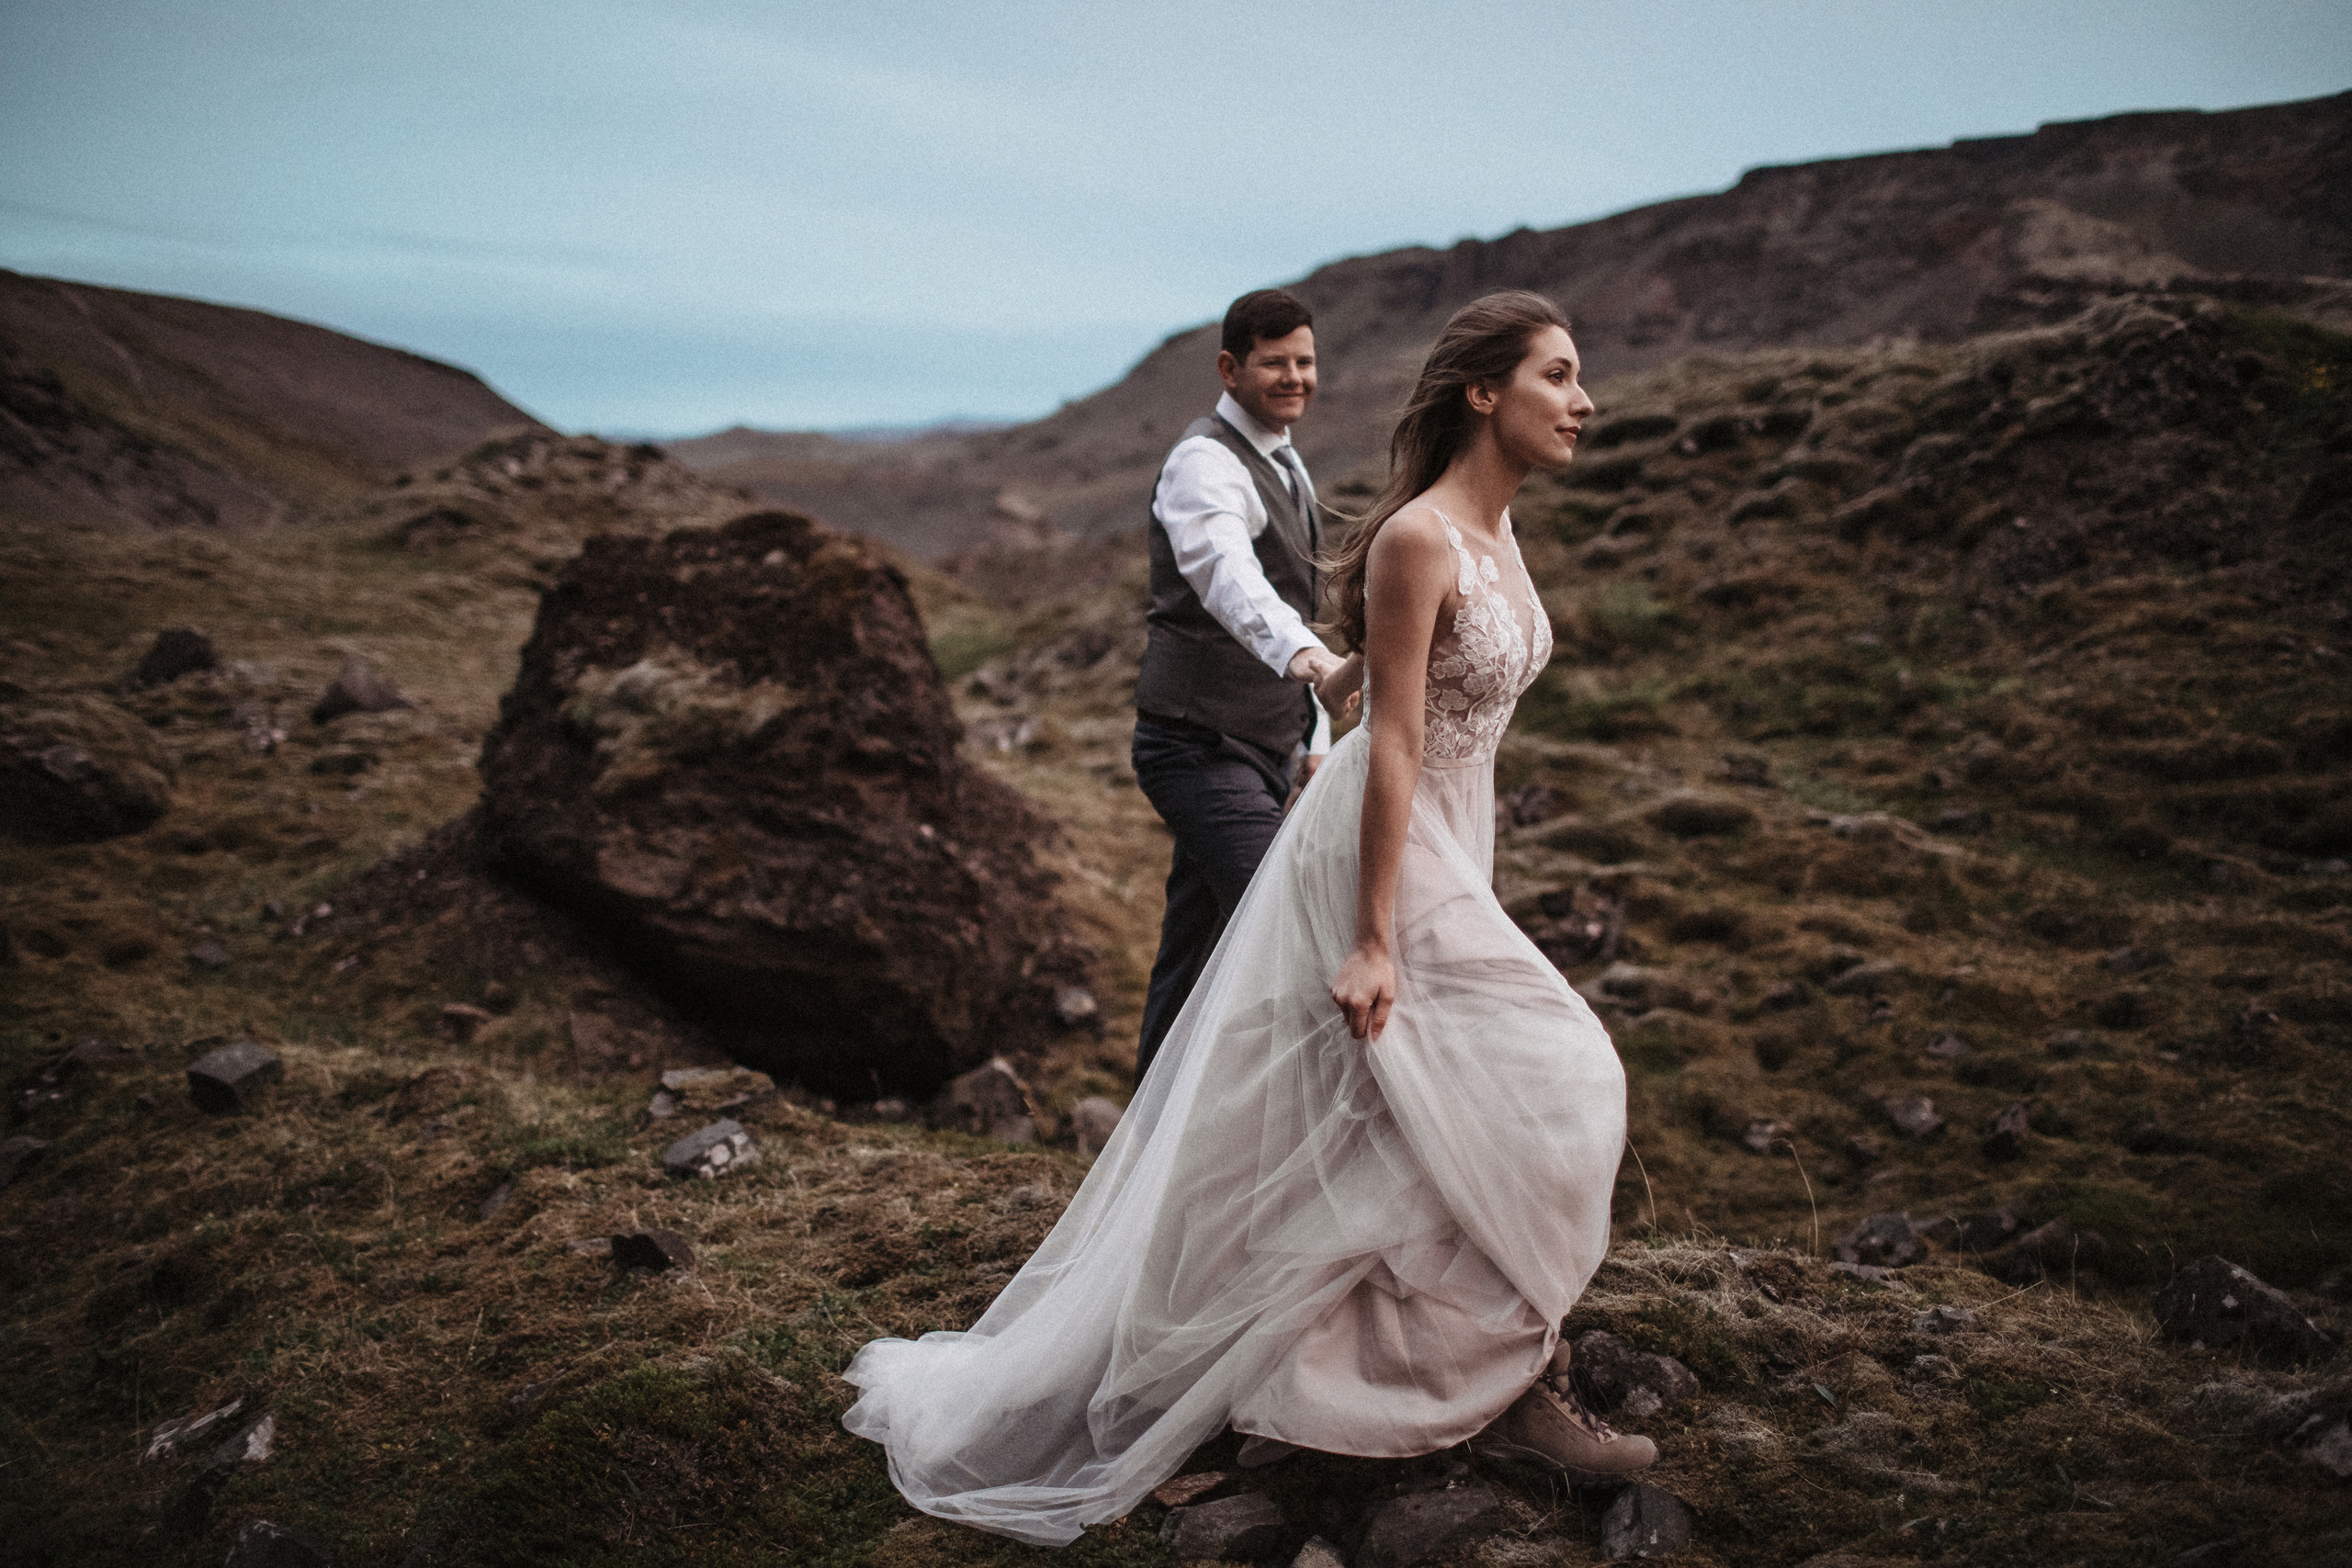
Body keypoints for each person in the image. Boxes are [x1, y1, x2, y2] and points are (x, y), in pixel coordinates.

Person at [841, 291, 1650, 1547]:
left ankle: (1442, 1372)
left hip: (1452, 835)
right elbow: (1391, 744)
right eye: (1557, 374)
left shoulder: (1499, 530)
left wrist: (1362, 711)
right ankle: (1463, 1371)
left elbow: (1423, 705)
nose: (1583, 400)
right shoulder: (1417, 538)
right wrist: (1371, 933)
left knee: (1383, 1104)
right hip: (1389, 845)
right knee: (1563, 1073)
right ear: (1483, 391)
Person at [1129, 288, 1347, 1085]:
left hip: (1261, 747)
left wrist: (1313, 737)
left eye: (1305, 362)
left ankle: (1146, 1135)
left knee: (1192, 952)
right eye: (1274, 362)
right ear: (1229, 368)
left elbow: (1294, 598)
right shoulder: (1204, 463)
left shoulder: (1285, 459)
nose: (1295, 377)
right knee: (1286, 922)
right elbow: (1230, 579)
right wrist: (1308, 660)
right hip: (1194, 745)